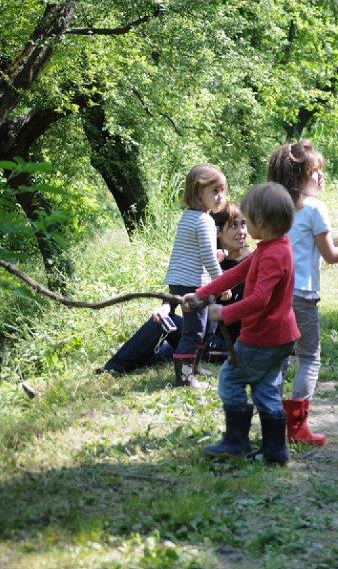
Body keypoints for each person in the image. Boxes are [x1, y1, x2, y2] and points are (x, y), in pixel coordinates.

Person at [185, 182, 299, 466]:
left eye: (248, 220)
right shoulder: (271, 248)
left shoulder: (273, 255)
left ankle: (237, 442)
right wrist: (201, 293)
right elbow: (235, 274)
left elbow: (260, 299)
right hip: (280, 336)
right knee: (265, 388)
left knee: (231, 378)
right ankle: (275, 450)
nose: (246, 226)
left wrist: (227, 313)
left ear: (260, 222)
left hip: (263, 336)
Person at [267, 140, 338, 446]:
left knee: (278, 358)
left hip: (271, 295)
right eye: (314, 172)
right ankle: (296, 427)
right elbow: (330, 254)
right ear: (298, 177)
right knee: (309, 357)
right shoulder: (315, 209)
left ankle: (272, 422)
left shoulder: (272, 209)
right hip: (302, 295)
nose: (321, 177)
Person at [98, 203, 250, 375]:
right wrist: (166, 306)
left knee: (165, 330)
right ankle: (121, 366)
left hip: (225, 345)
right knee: (162, 324)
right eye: (234, 226)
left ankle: (112, 369)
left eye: (243, 224)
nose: (241, 231)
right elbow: (185, 288)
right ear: (218, 232)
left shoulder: (250, 263)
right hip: (202, 337)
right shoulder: (209, 261)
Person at [164, 164, 229, 388]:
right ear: (197, 193)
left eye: (222, 190)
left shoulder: (190, 217)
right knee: (193, 331)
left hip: (185, 280)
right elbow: (208, 259)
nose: (220, 196)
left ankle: (195, 366)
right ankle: (184, 377)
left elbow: (199, 252)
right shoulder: (204, 221)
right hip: (189, 283)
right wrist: (222, 283)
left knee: (207, 327)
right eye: (214, 191)